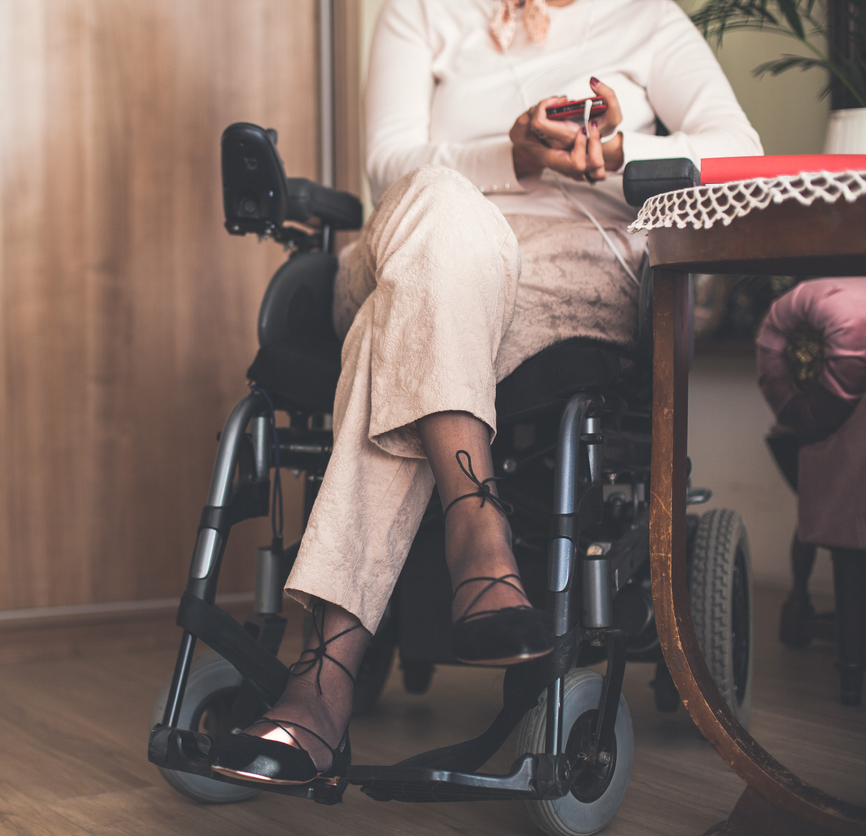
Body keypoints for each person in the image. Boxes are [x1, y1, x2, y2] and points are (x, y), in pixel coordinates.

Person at [211, 0, 762, 787]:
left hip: (568, 264)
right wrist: (515, 159)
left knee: (399, 330)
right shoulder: (420, 13)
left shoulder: (648, 18)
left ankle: (321, 688)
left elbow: (741, 151)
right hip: (415, 241)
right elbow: (390, 163)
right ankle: (479, 531)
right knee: (439, 207)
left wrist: (618, 147)